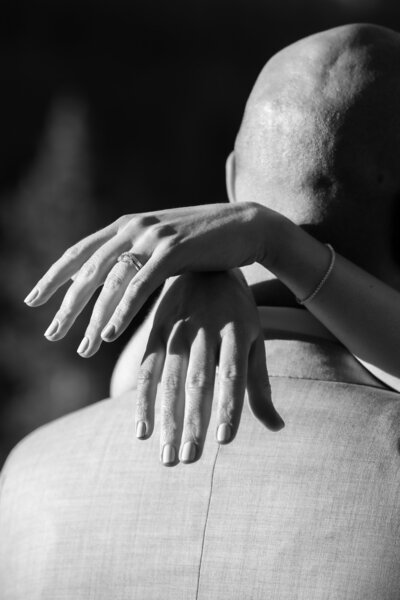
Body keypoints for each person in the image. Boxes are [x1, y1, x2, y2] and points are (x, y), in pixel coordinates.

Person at [1, 23, 400, 598]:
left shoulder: (29, 478)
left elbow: (124, 386)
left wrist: (217, 265)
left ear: (232, 181)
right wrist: (276, 248)